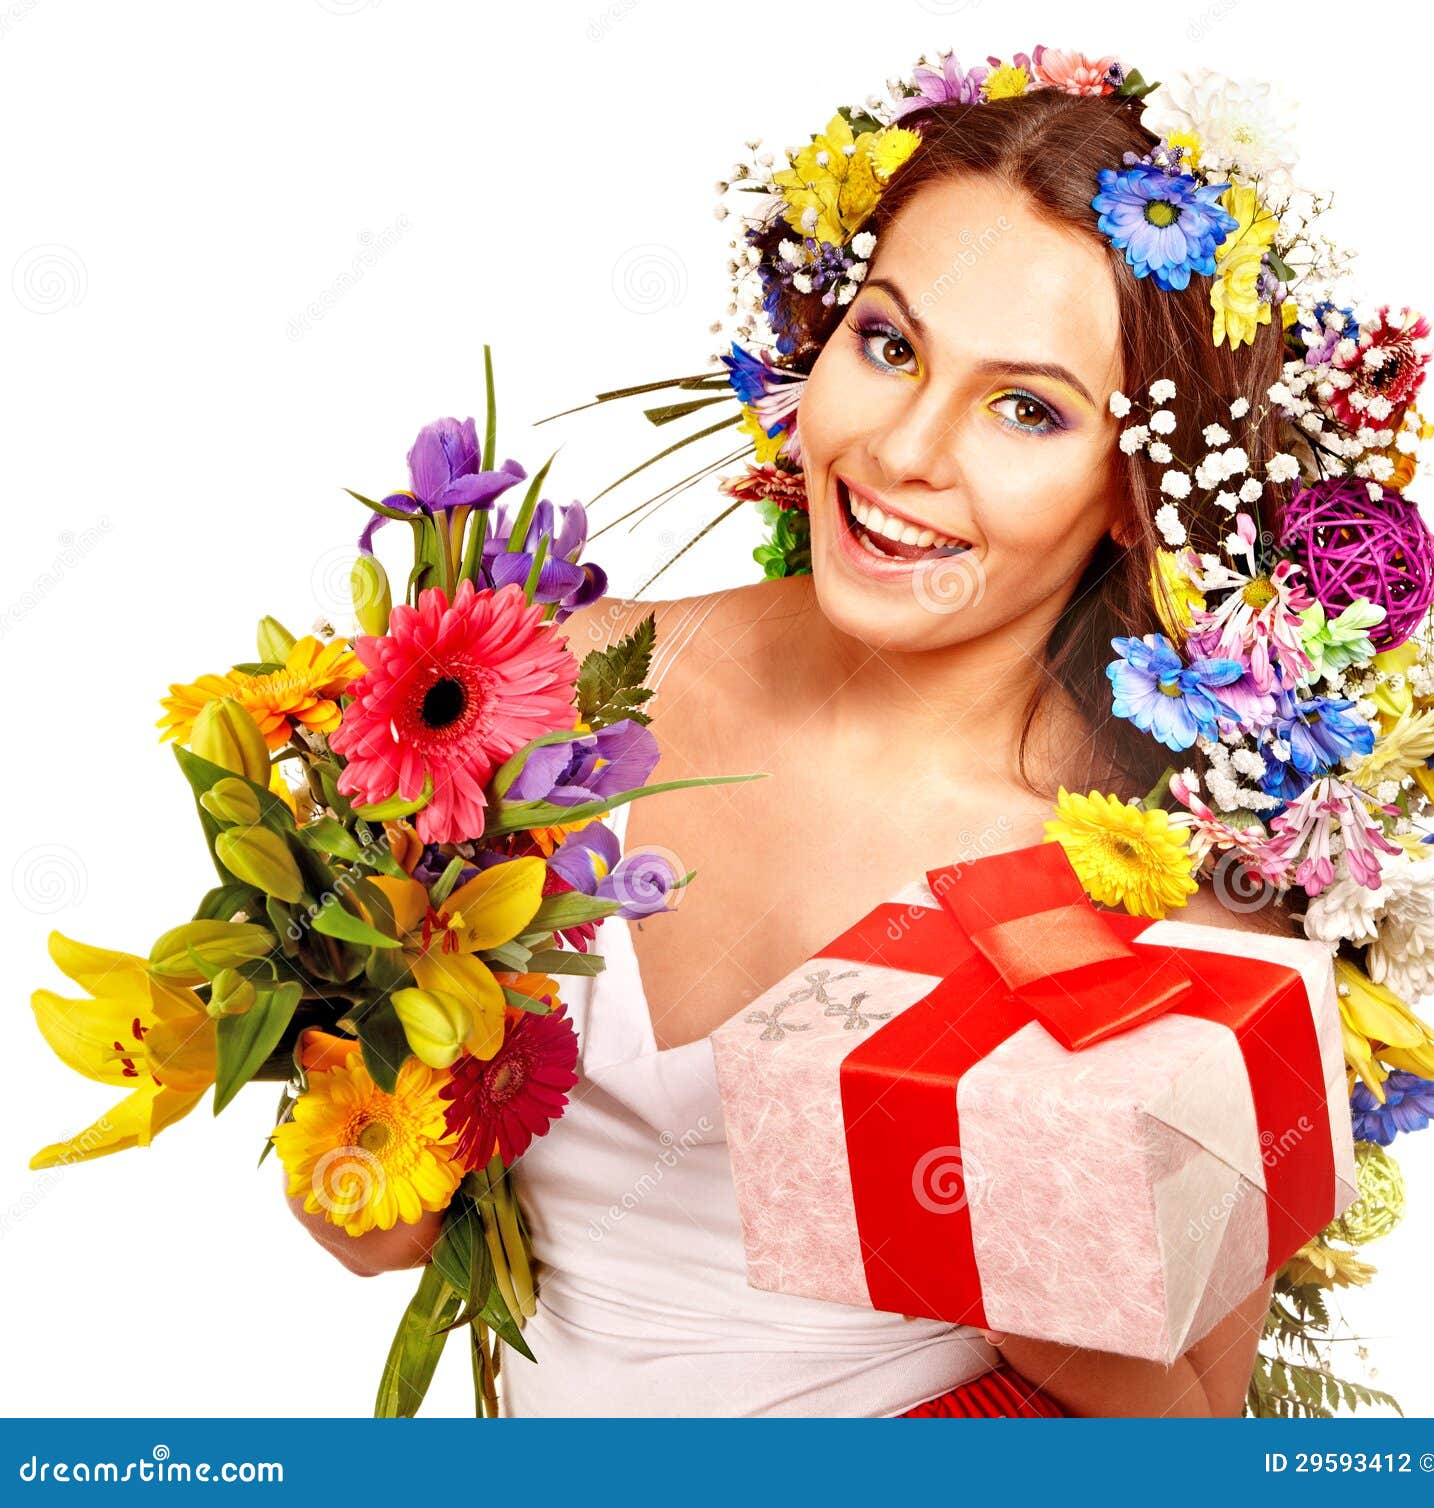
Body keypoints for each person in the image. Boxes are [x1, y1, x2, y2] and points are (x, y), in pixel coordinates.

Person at [286, 78, 1292, 1416]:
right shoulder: (548, 682)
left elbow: (1194, 1441)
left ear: (1129, 491)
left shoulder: (1155, 885)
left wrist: (1044, 1274)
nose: (904, 450)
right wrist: (357, 1073)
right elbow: (374, 1228)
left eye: (1028, 410)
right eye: (888, 344)